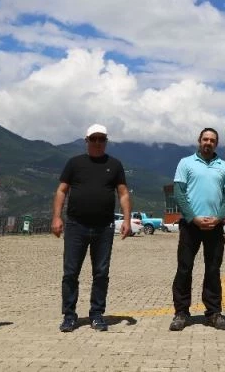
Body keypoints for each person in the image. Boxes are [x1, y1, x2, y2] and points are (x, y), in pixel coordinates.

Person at [51, 124, 132, 333]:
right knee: (70, 272)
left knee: (101, 273)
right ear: (86, 140)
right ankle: (69, 316)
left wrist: (127, 219)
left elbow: (123, 193)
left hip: (104, 227)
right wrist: (56, 217)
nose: (97, 142)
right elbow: (61, 190)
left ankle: (97, 314)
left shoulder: (114, 165)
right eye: (93, 139)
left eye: (101, 139)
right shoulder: (74, 163)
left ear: (106, 141)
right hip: (75, 225)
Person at [169, 128, 225, 331]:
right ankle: (181, 313)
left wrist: (218, 218)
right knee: (184, 268)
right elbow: (179, 193)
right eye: (205, 139)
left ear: (216, 144)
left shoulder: (224, 166)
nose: (208, 142)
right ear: (199, 141)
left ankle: (213, 313)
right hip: (191, 225)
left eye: (212, 140)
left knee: (213, 269)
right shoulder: (186, 163)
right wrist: (193, 218)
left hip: (215, 226)